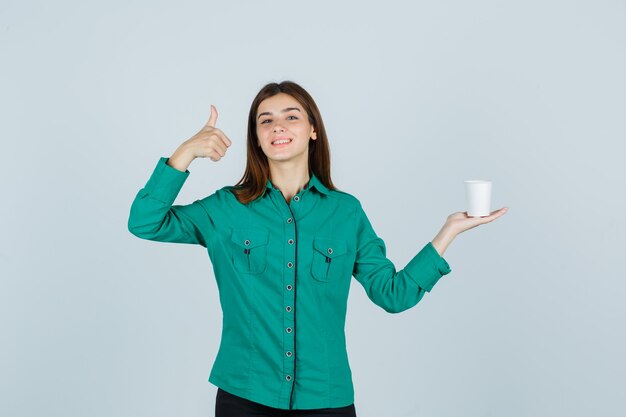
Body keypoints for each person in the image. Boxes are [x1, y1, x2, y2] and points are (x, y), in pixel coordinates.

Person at [127, 80, 508, 417]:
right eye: (265, 120)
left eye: (291, 116)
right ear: (257, 138)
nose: (278, 125)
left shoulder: (346, 213)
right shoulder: (226, 208)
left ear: (312, 129)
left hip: (326, 400)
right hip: (244, 396)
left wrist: (449, 231)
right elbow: (145, 222)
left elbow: (393, 295)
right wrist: (184, 153)